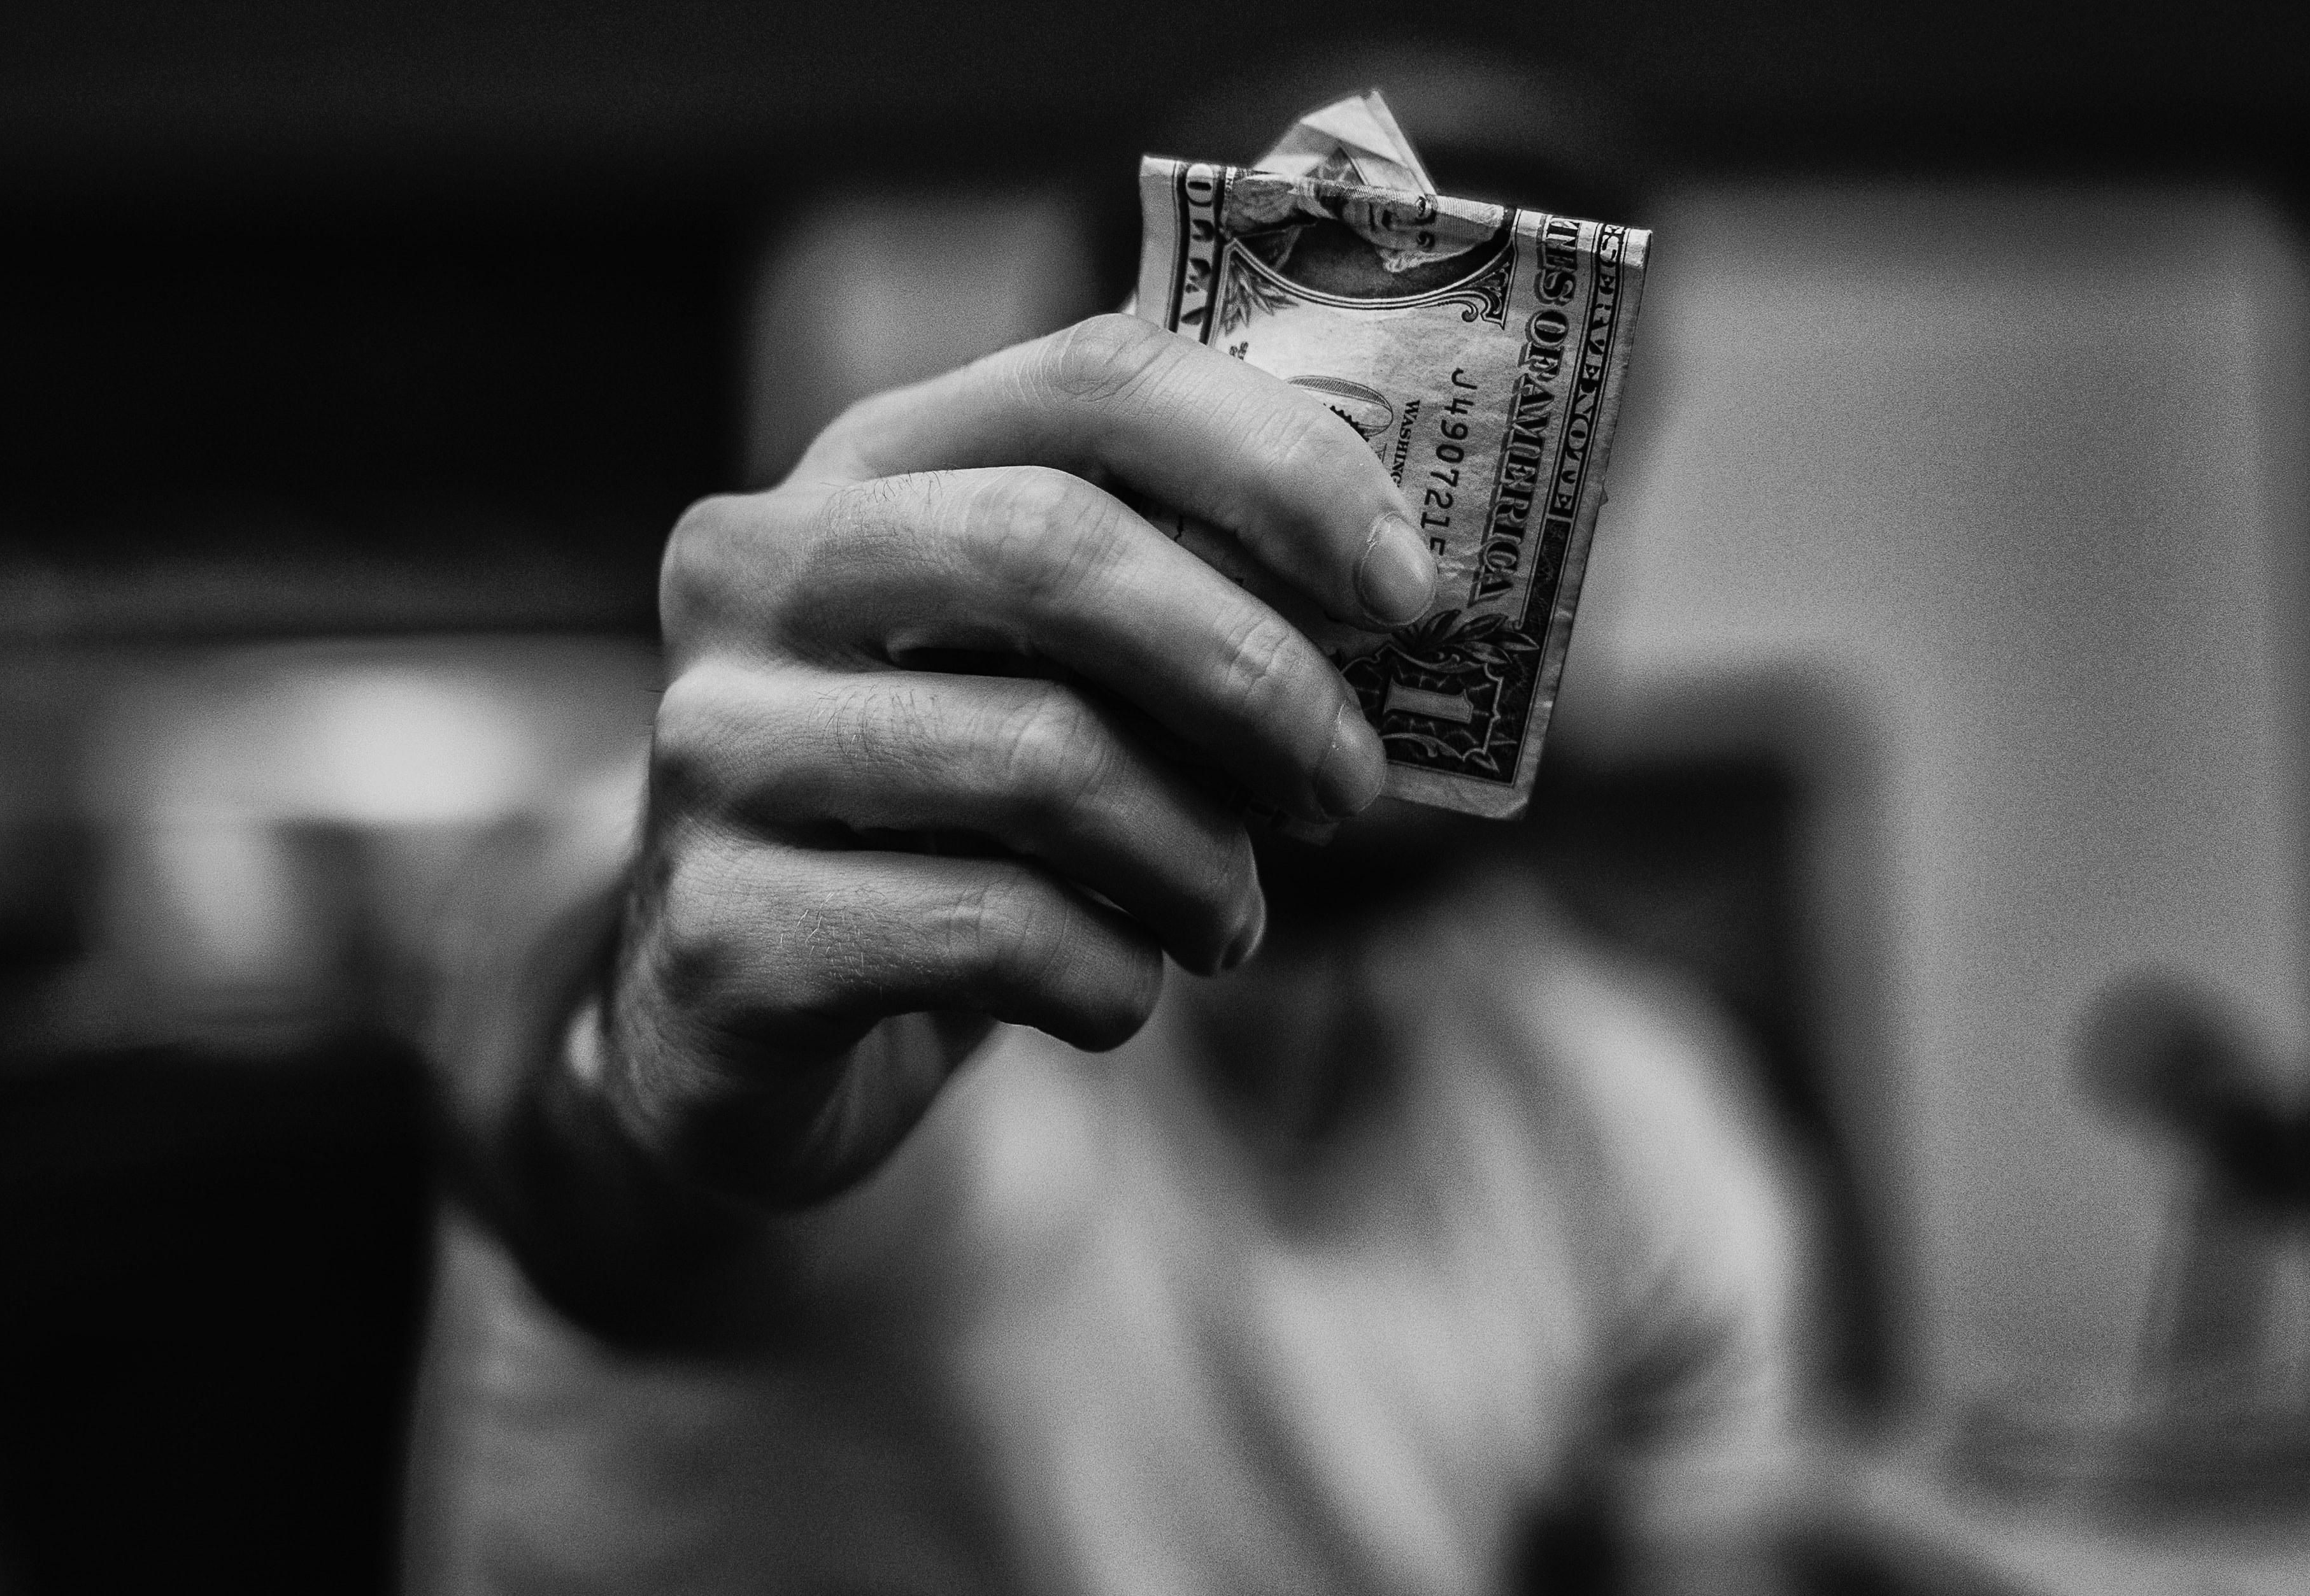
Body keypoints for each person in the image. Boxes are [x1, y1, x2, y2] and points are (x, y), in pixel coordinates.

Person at [406, 314, 1823, 1595]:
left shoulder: (1639, 1108)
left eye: (1512, 463)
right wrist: (660, 1068)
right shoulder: (828, 863)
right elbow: (574, 1115)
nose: (1411, 554)